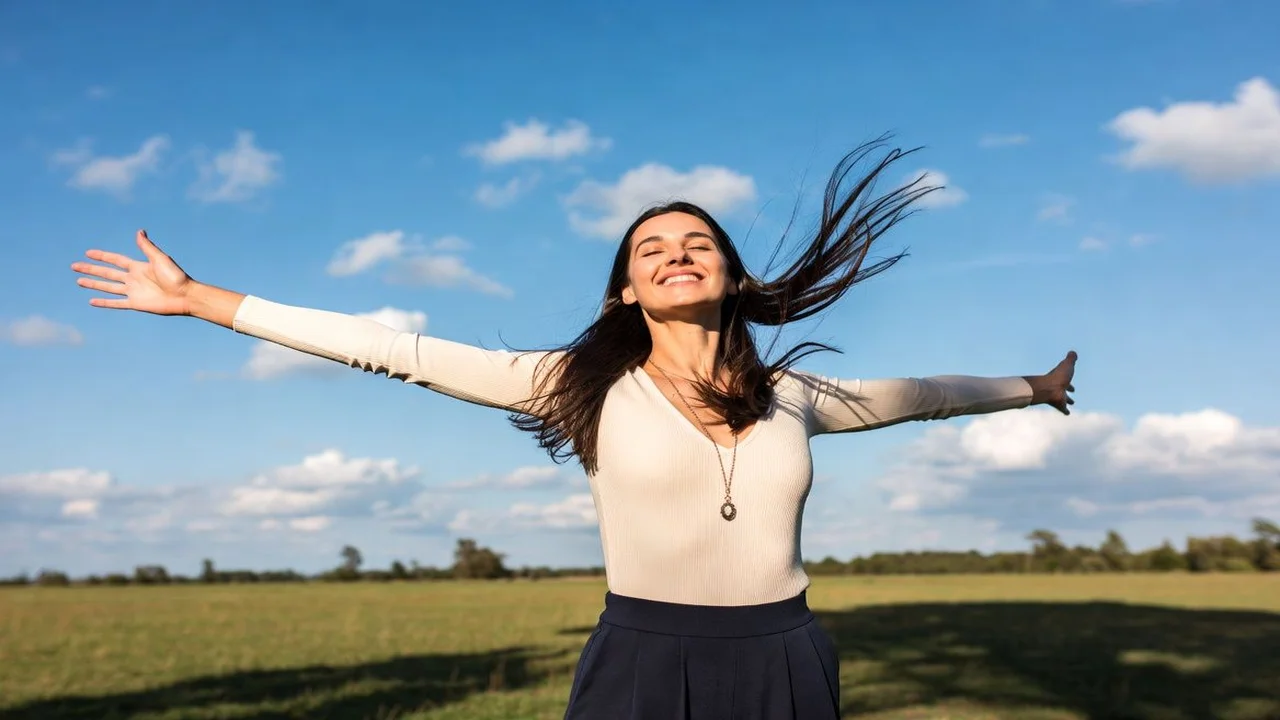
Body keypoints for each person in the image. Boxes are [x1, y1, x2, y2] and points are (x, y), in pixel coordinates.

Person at [71, 140, 1076, 719]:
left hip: (786, 655)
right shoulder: (575, 385)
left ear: (731, 275)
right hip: (643, 658)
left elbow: (924, 393)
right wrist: (203, 300)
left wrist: (1030, 388)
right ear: (626, 288)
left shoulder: (794, 395)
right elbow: (391, 347)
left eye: (696, 242)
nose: (675, 252)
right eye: (650, 248)